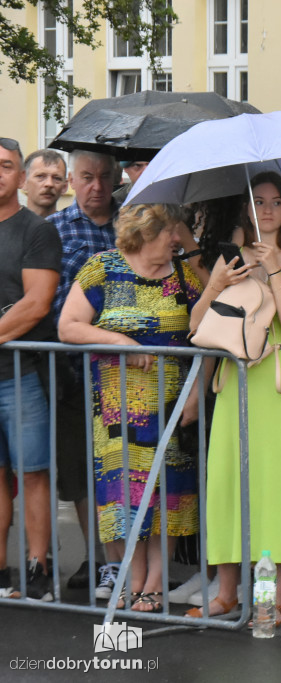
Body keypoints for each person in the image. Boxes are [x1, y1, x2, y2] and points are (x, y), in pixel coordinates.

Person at [186, 172, 281, 625]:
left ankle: (273, 597)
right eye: (259, 201)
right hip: (237, 378)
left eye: (276, 202)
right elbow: (196, 328)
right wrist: (217, 284)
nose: (267, 210)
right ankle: (226, 591)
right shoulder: (229, 258)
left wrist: (273, 274)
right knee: (232, 478)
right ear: (247, 208)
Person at [58, 202, 203, 611]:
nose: (178, 240)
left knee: (168, 491)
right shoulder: (103, 268)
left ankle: (154, 581)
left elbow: (208, 330)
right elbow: (69, 326)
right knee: (124, 491)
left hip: (173, 404)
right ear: (145, 232)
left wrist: (196, 392)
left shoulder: (183, 275)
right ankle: (131, 575)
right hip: (116, 407)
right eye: (171, 232)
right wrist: (122, 343)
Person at [48, 149, 120, 594]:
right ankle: (96, 558)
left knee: (122, 466)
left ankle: (125, 560)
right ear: (72, 179)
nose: (96, 187)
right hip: (72, 368)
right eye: (87, 178)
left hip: (124, 369)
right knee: (81, 469)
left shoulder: (132, 226)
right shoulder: (52, 230)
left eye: (105, 178)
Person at [0, 137, 61, 601]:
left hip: (20, 374)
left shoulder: (36, 230)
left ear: (21, 177)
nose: (0, 174)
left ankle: (38, 569)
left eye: (7, 167)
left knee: (34, 472)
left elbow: (37, 303)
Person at [21, 149, 67, 218]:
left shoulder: (72, 227)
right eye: (40, 176)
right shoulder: (6, 225)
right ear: (23, 181)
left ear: (65, 186)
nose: (49, 184)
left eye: (57, 178)